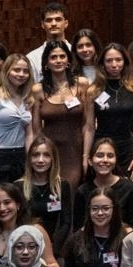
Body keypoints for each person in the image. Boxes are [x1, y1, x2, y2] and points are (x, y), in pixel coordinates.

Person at [35, 40, 91, 191]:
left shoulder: (81, 84)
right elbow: (36, 129)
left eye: (62, 56)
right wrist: (38, 155)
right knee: (51, 193)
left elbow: (87, 124)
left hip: (75, 152)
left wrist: (86, 155)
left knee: (70, 190)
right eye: (53, 57)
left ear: (68, 61)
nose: (58, 60)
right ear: (46, 63)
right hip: (49, 152)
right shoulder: (38, 89)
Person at [0, 53, 36, 193]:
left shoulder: (28, 98)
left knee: (21, 200)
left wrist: (30, 160)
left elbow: (29, 134)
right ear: (7, 71)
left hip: (20, 156)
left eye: (25, 71)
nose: (21, 74)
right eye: (16, 70)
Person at [20, 136, 75, 254]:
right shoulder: (18, 187)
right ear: (29, 159)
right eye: (36, 155)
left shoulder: (62, 185)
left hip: (52, 246)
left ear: (53, 159)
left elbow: (66, 223)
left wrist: (51, 250)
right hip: (24, 248)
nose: (40, 160)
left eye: (46, 155)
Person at [76, 137, 133, 229]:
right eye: (99, 155)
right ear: (90, 161)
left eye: (110, 156)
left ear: (116, 160)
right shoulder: (82, 191)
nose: (105, 160)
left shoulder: (129, 188)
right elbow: (78, 228)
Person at [26, 2, 72, 80]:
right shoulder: (32, 58)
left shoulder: (75, 53)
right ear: (42, 25)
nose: (53, 24)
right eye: (49, 20)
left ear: (66, 23)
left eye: (58, 19)